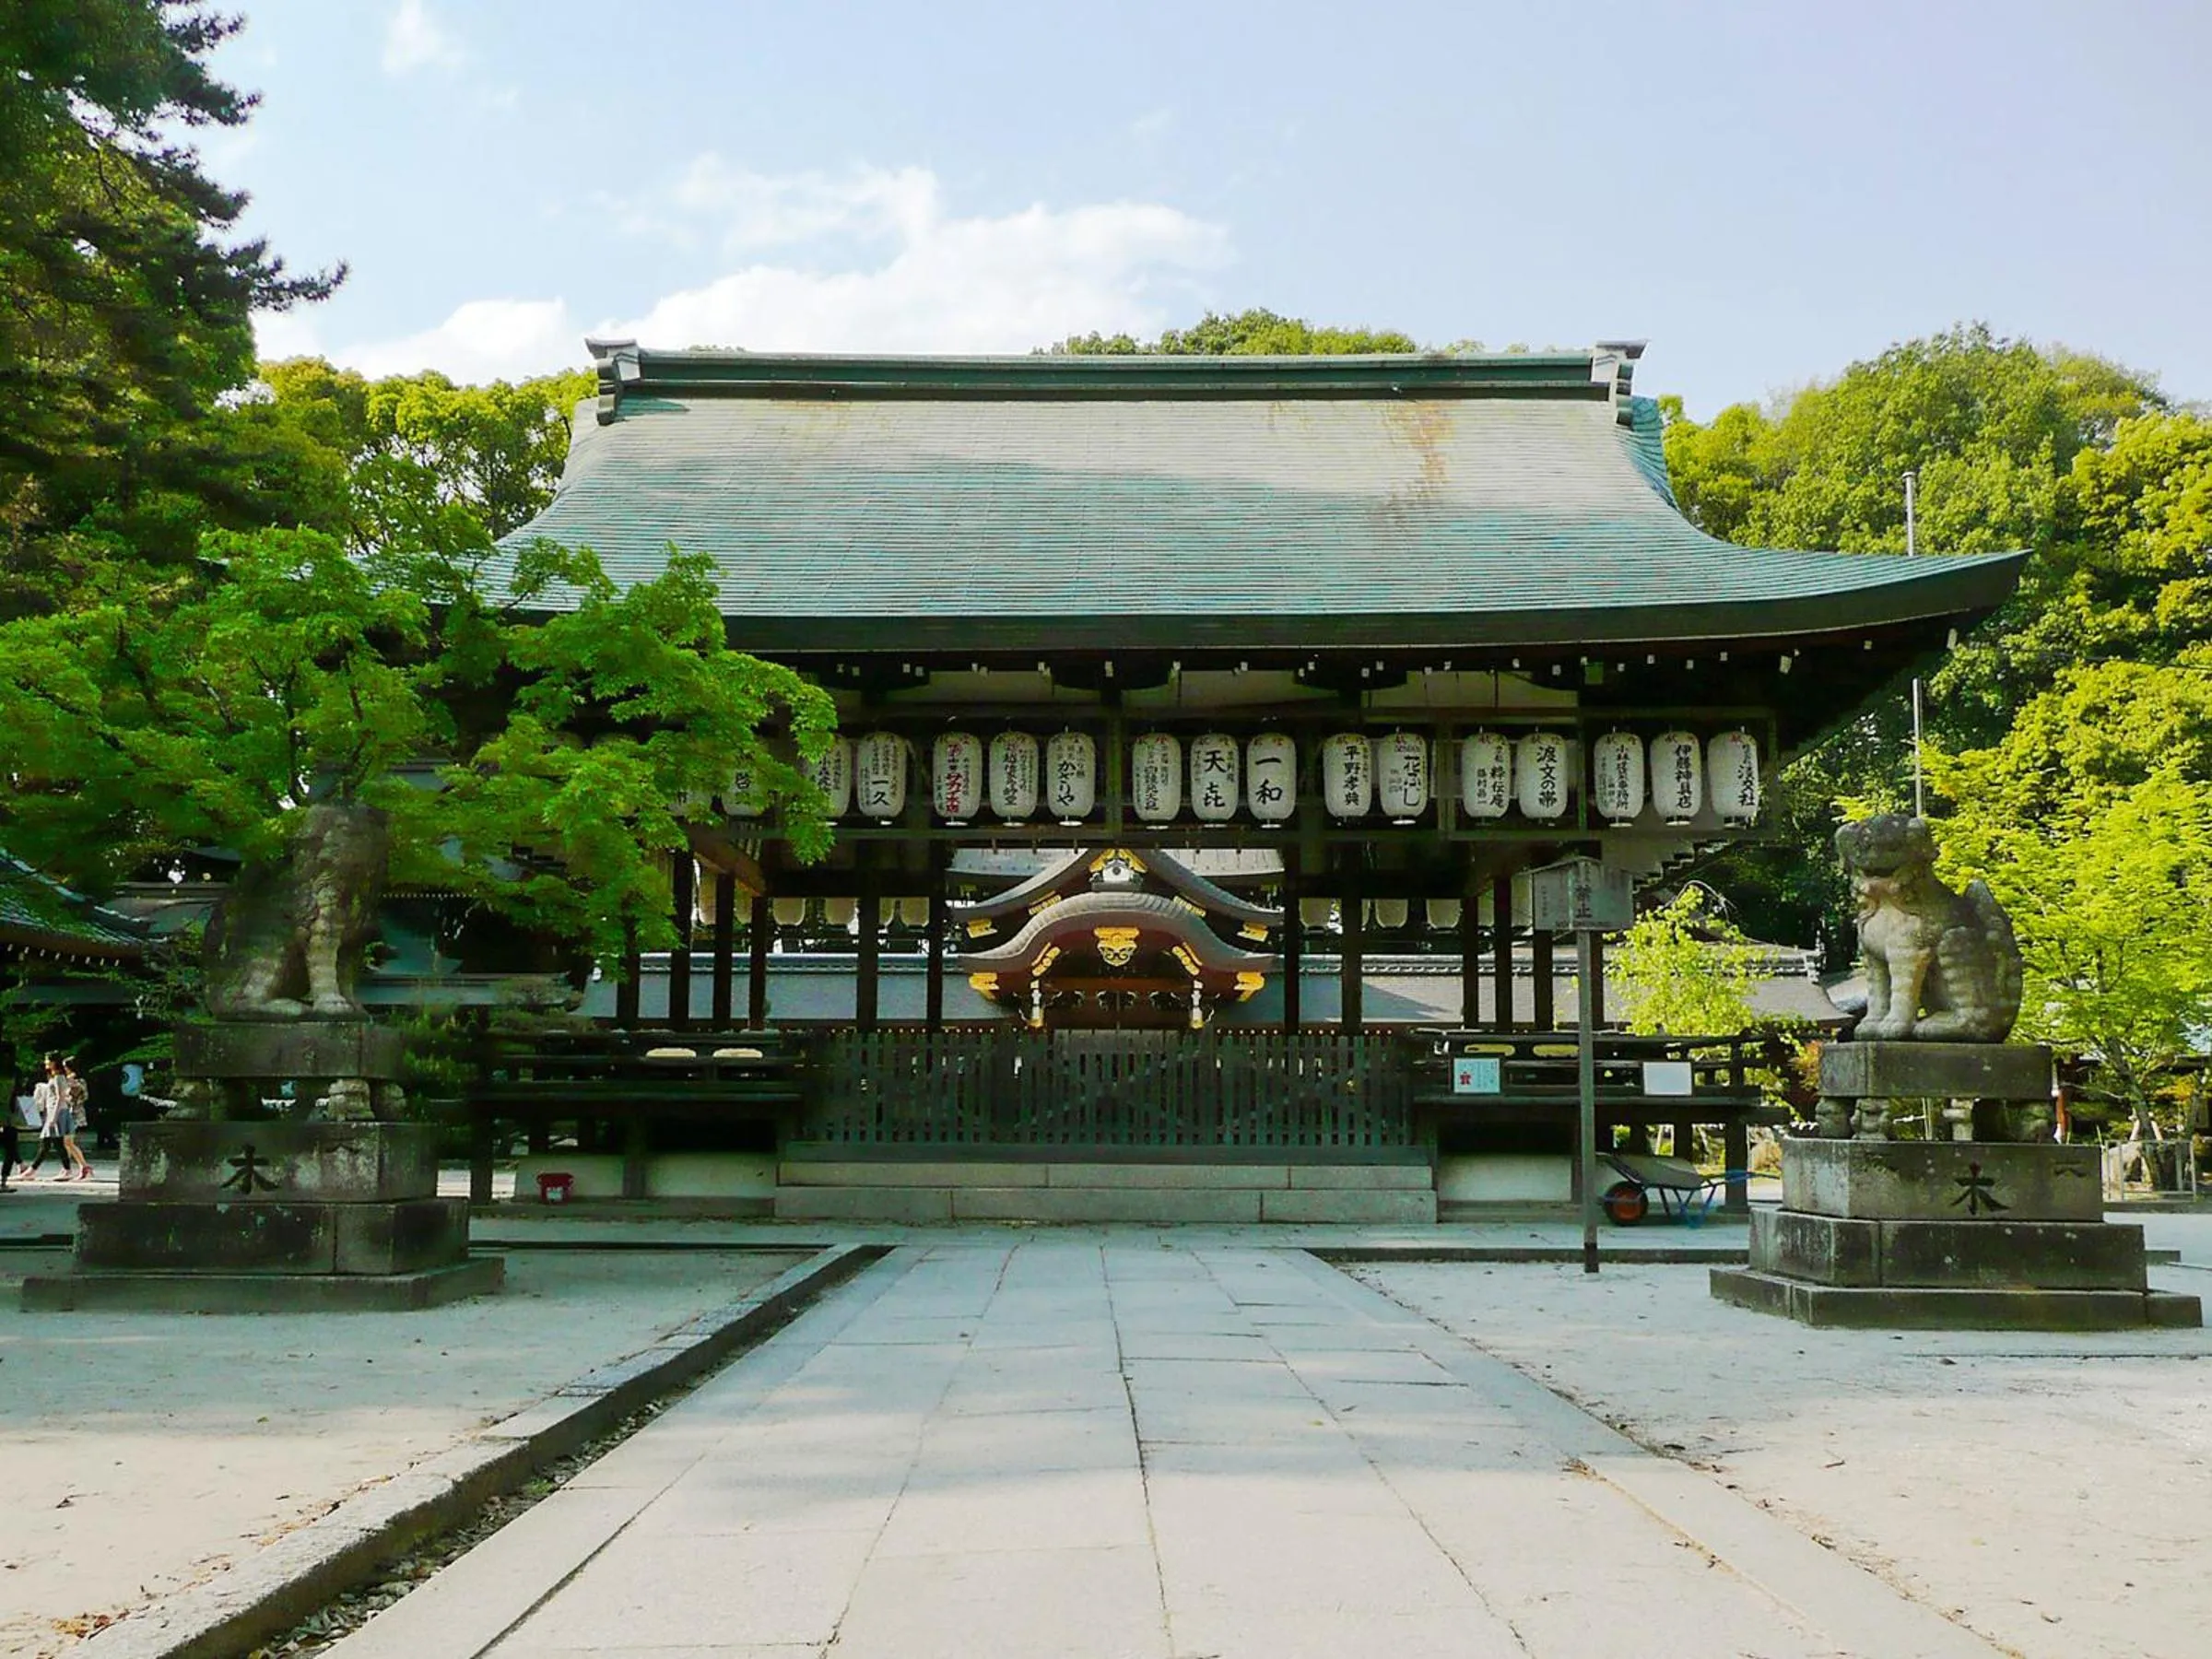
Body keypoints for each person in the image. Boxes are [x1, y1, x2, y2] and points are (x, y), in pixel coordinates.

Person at [59, 1057, 93, 1181]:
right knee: (66, 1142)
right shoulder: (76, 1080)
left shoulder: (75, 1081)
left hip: (73, 1113)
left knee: (68, 1142)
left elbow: (72, 1097)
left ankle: (83, 1167)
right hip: (72, 1112)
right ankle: (68, 1168)